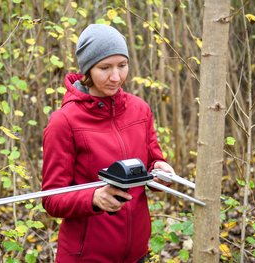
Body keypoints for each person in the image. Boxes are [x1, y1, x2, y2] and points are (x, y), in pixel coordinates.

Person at [41, 24, 175, 263]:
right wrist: (93, 198)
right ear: (88, 70)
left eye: (122, 66)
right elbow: (52, 199)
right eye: (105, 68)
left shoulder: (139, 110)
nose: (116, 77)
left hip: (136, 254)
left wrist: (161, 170)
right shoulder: (64, 121)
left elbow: (152, 165)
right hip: (86, 257)